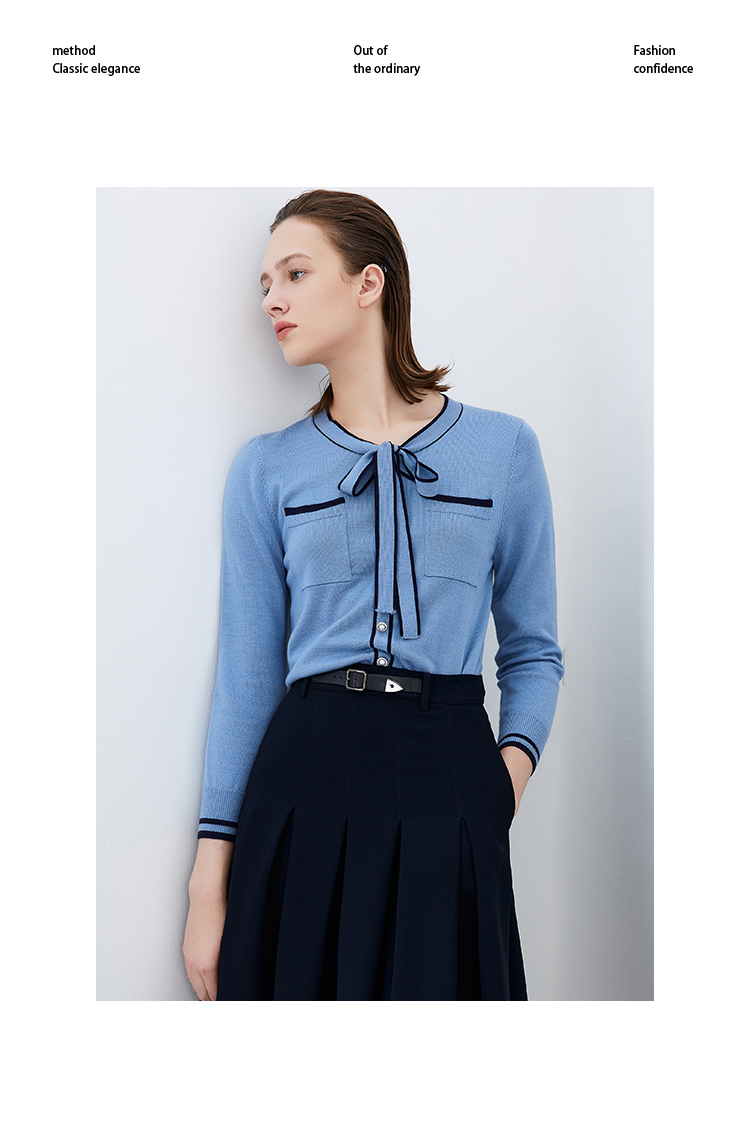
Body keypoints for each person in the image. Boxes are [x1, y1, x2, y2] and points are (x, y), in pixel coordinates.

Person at [182, 189, 564, 1001]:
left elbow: (534, 649)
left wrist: (501, 783)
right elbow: (248, 680)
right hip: (304, 778)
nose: (272, 300)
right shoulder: (266, 469)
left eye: (294, 273)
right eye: (264, 284)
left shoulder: (503, 449)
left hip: (450, 773)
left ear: (369, 282)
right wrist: (207, 881)